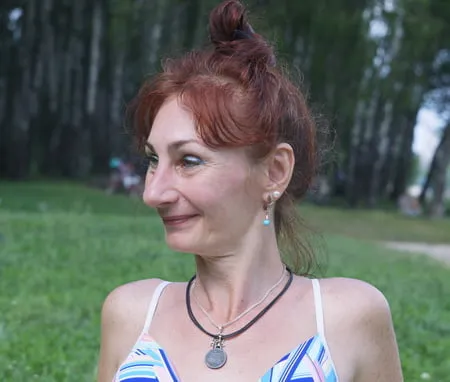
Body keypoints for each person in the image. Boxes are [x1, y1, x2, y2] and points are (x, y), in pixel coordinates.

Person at [97, 1, 403, 381]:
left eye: (189, 161)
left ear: (275, 172)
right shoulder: (129, 313)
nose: (153, 193)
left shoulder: (349, 318)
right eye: (152, 160)